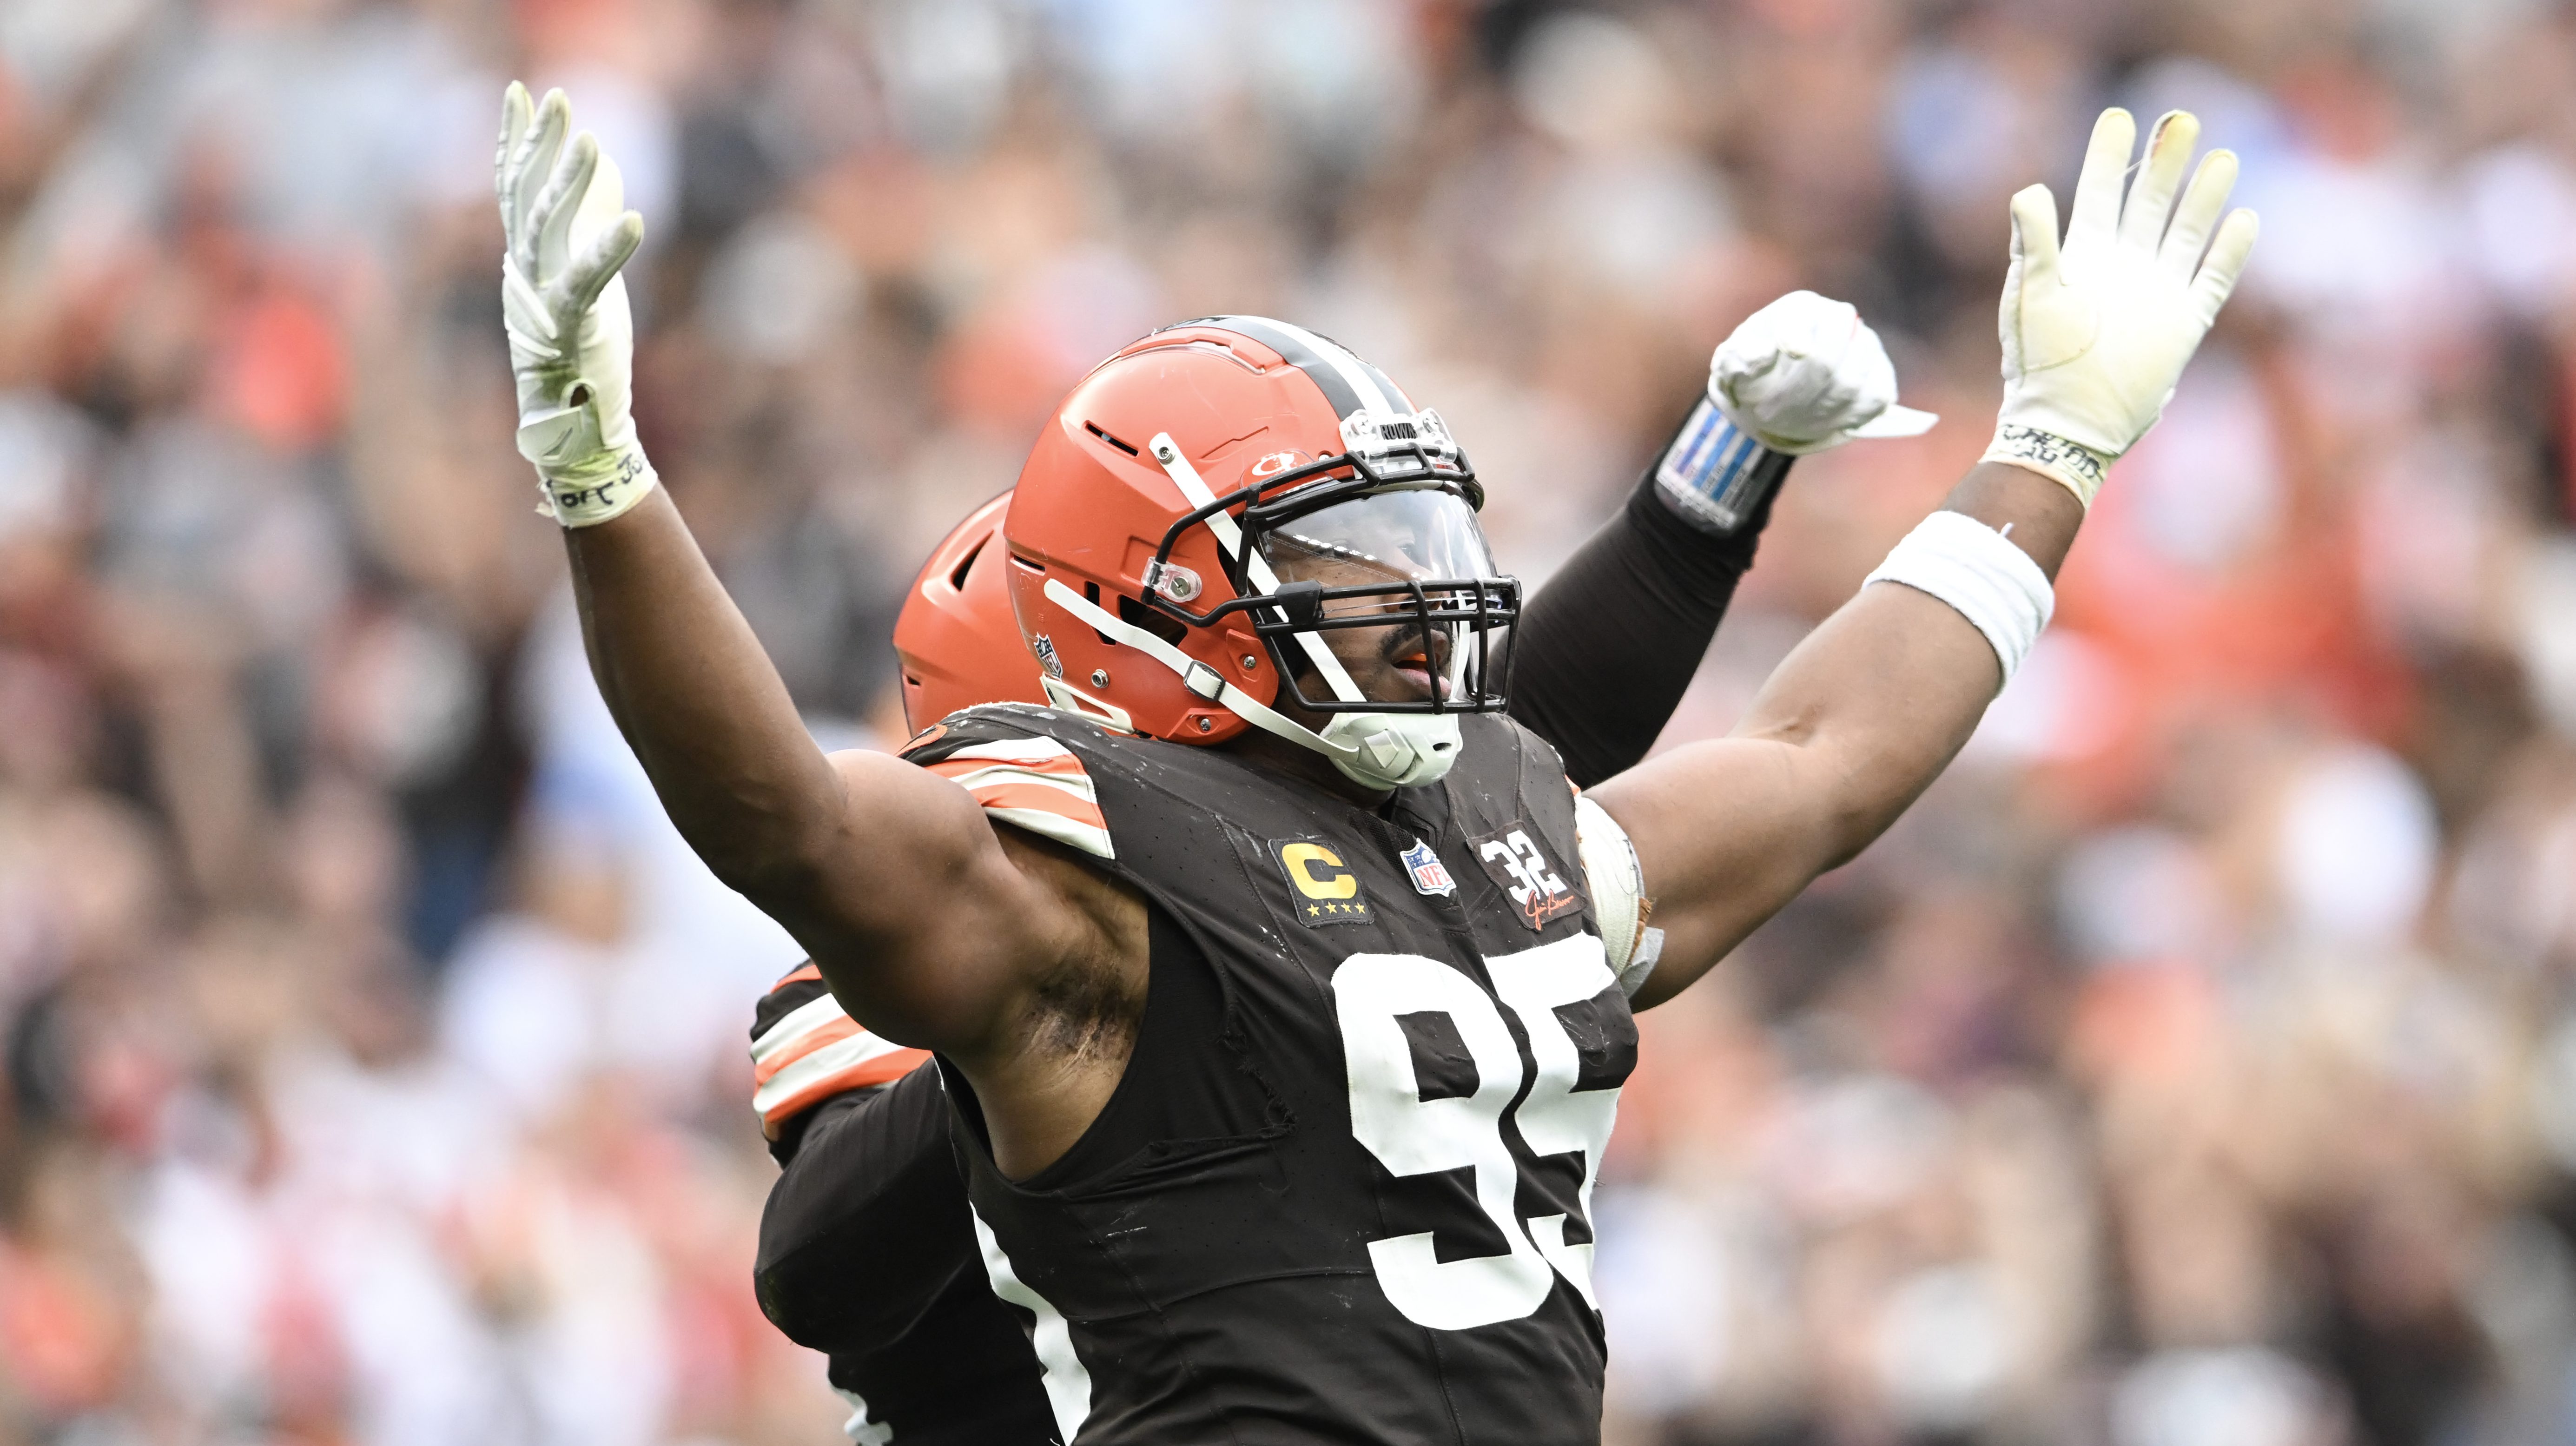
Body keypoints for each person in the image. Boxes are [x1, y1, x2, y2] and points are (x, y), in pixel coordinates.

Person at [495, 80, 2252, 1445]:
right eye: (1347, 568)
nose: (1413, 605)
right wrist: (602, 475)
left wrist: (2033, 444)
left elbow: (1789, 758)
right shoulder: (1049, 901)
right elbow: (818, 1218)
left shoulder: (1414, 844)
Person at [751, 289, 1933, 1443]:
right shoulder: (995, 919)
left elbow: (1504, 762)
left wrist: (1717, 476)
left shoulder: (1249, 852)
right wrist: (1073, 1021)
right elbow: (818, 1266)